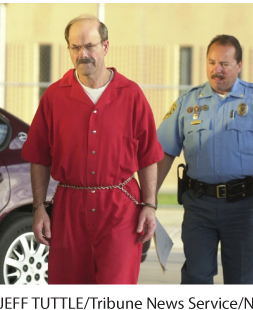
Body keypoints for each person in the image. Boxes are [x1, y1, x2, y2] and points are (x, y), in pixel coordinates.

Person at [21, 14, 164, 284]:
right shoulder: (54, 96)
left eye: (89, 46)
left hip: (121, 209)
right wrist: (39, 207)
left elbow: (148, 156)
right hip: (69, 210)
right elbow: (39, 158)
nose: (82, 54)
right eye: (75, 47)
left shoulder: (132, 94)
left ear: (106, 46)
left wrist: (150, 206)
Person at [157, 34, 253, 284]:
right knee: (196, 278)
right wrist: (148, 202)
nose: (217, 70)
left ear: (239, 65)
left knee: (241, 282)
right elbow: (164, 152)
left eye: (225, 64)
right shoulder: (187, 102)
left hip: (243, 207)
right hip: (199, 206)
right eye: (212, 62)